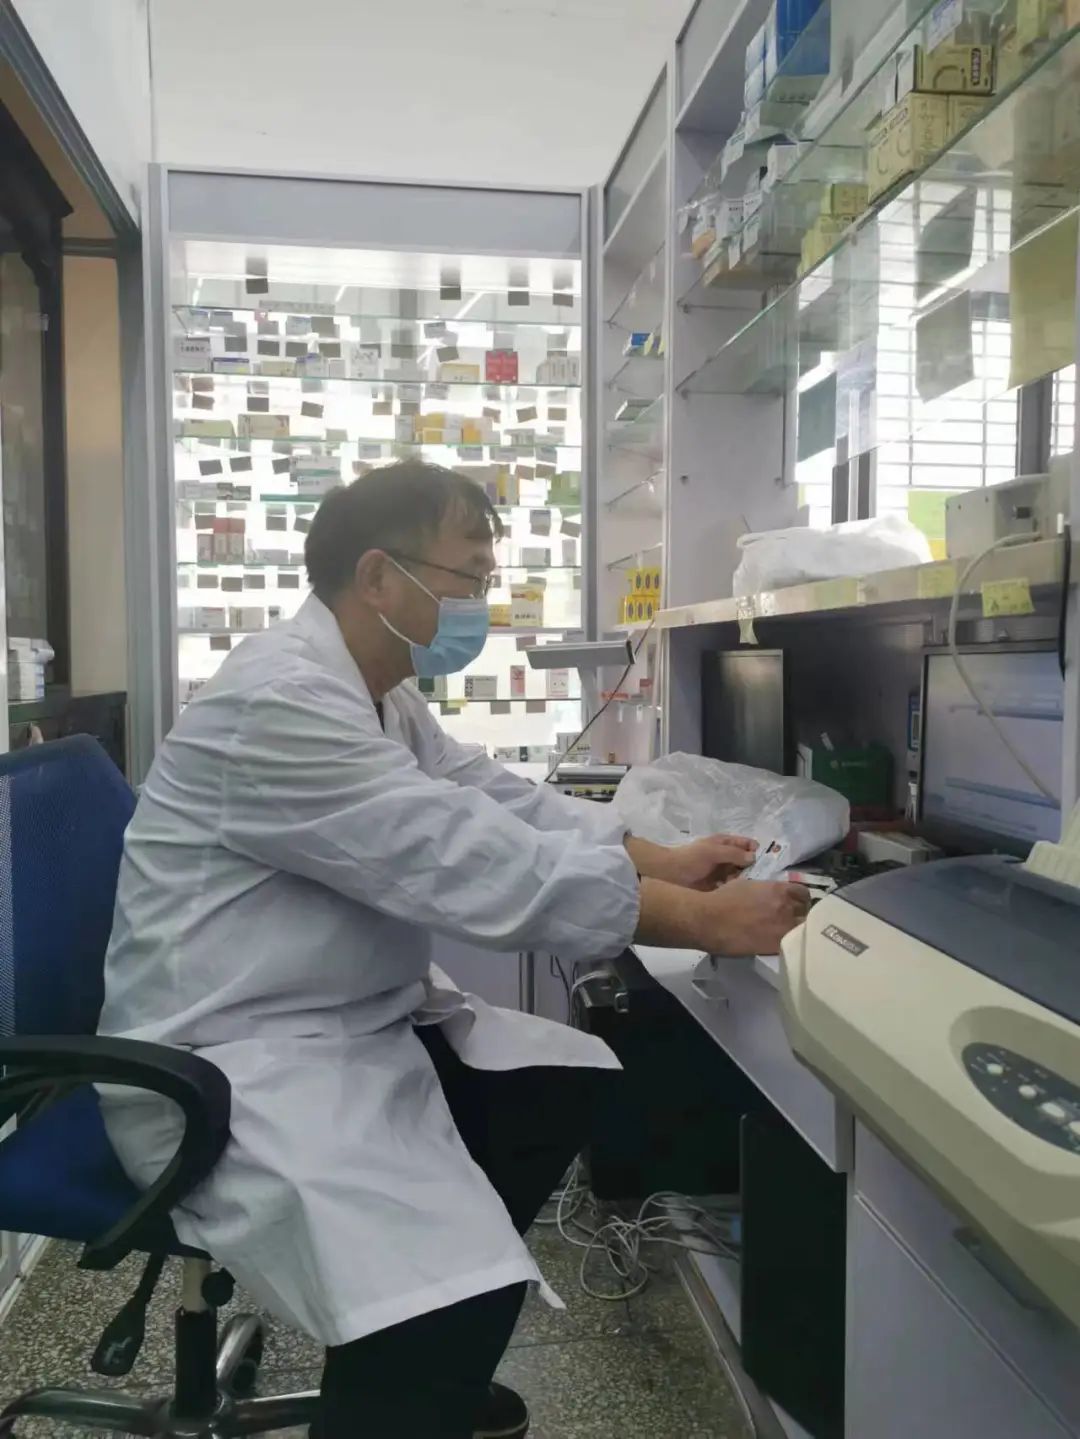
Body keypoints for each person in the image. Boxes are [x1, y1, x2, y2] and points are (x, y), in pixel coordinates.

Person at [98, 461, 809, 1439]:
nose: (481, 601)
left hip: (329, 1024)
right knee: (448, 1280)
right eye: (468, 576)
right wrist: (702, 921)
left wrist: (662, 858)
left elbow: (488, 796)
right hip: (225, 1063)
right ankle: (408, 1370)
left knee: (557, 1084)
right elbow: (460, 855)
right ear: (379, 577)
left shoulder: (377, 692)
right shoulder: (280, 700)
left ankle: (406, 1375)